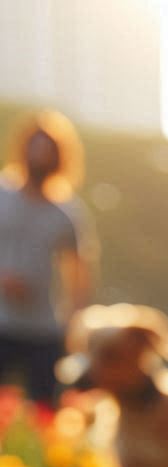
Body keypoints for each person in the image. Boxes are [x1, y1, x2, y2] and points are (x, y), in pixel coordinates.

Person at [0, 110, 95, 405]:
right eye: (36, 146)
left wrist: (73, 325)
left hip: (44, 330)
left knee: (44, 413)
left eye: (48, 150)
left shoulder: (68, 213)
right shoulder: (2, 195)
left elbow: (80, 271)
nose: (40, 155)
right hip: (1, 321)